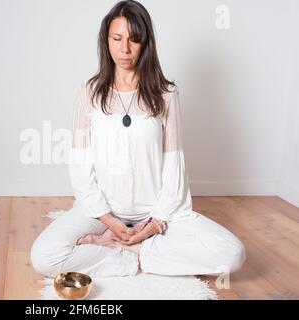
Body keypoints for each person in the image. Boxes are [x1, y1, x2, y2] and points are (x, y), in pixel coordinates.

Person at [31, 0, 246, 278]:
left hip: (154, 212)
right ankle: (132, 256)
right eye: (117, 38)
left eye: (134, 40)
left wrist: (155, 224)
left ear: (146, 43)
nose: (124, 49)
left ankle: (134, 252)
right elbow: (80, 165)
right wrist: (106, 218)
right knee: (44, 256)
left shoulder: (166, 94)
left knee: (231, 253)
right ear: (105, 40)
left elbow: (173, 164)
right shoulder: (88, 92)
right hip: (101, 212)